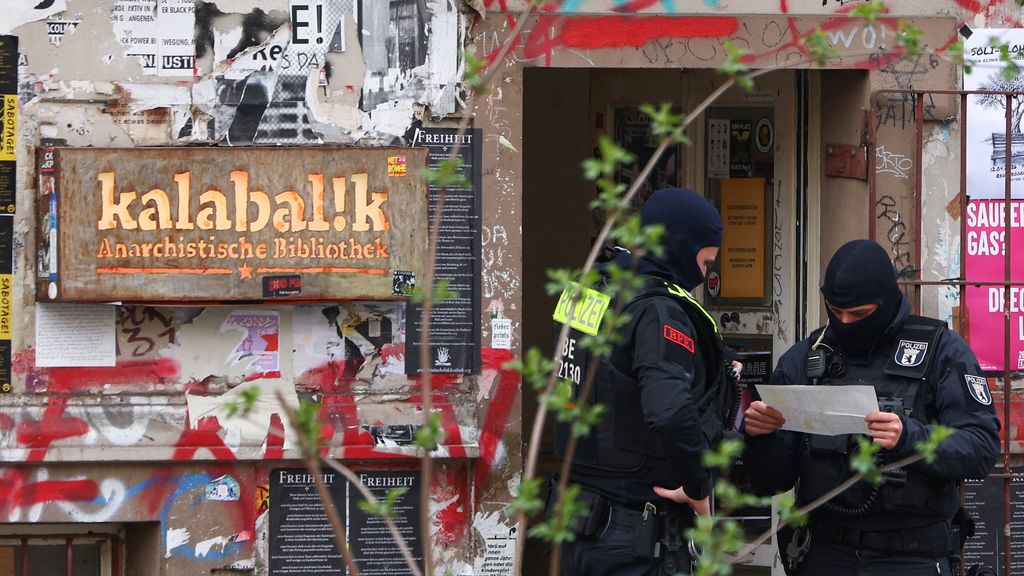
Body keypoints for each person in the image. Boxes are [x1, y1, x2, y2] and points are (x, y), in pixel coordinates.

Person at [742, 239, 1001, 576]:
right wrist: (760, 437)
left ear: (887, 300)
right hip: (824, 552)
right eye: (836, 312)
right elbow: (771, 481)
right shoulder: (806, 358)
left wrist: (910, 437)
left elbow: (981, 448)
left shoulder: (941, 351)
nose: (847, 323)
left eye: (860, 314)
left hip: (912, 556)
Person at [553, 188, 738, 576]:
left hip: (576, 526)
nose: (704, 277)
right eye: (705, 263)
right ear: (682, 247)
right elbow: (669, 411)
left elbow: (602, 376)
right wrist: (698, 486)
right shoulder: (658, 310)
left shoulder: (590, 290)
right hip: (635, 534)